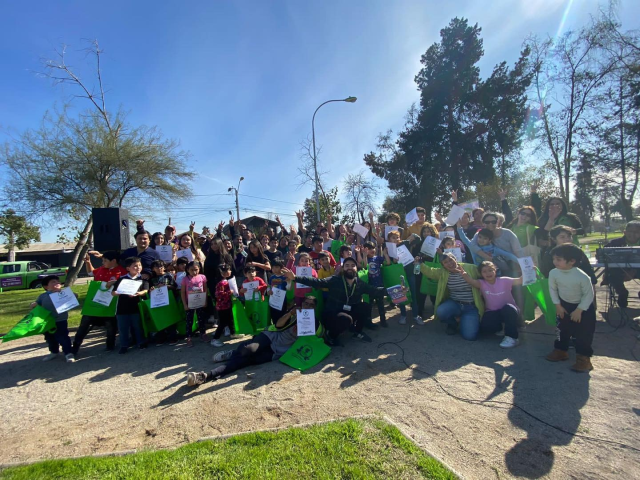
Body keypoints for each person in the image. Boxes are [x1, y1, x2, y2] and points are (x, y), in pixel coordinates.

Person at [186, 296, 318, 387]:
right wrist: (290, 313)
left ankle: (205, 376)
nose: (308, 306)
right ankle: (233, 353)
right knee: (248, 350)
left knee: (246, 361)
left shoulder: (316, 323)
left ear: (315, 308)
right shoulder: (295, 315)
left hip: (279, 350)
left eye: (311, 305)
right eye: (306, 303)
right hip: (271, 336)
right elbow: (278, 325)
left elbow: (318, 341)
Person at [282, 258, 387, 345]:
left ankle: (357, 332)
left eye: (352, 265)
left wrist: (394, 291)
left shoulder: (359, 283)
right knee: (344, 320)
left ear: (356, 268)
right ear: (343, 268)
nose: (350, 268)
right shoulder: (335, 280)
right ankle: (330, 336)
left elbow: (374, 290)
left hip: (348, 310)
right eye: (347, 265)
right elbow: (317, 282)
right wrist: (295, 278)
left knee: (365, 306)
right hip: (333, 312)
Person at [545, 244, 596, 372]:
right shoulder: (554, 273)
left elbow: (589, 295)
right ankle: (561, 351)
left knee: (583, 334)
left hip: (583, 308)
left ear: (572, 261)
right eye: (554, 259)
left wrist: (579, 310)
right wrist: (558, 306)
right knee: (562, 329)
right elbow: (552, 289)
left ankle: (584, 359)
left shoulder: (582, 277)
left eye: (558, 259)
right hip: (563, 305)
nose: (554, 262)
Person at [455, 261, 522, 348]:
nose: (488, 273)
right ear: (481, 273)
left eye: (490, 270)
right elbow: (470, 281)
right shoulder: (481, 283)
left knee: (508, 308)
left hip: (510, 312)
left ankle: (512, 337)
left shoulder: (504, 280)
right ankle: (502, 328)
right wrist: (463, 274)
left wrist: (529, 271)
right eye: (484, 271)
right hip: (493, 313)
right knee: (485, 327)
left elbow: (520, 280)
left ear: (495, 270)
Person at [419, 252, 485, 340]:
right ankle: (453, 323)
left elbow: (484, 273)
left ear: (455, 259)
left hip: (471, 307)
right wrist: (419, 263)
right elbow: (430, 272)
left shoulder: (470, 268)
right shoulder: (444, 272)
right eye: (445, 262)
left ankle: (463, 320)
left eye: (450, 260)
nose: (449, 263)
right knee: (441, 311)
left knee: (469, 336)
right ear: (443, 266)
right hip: (455, 304)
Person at [73, 251, 126, 354]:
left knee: (110, 325)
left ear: (114, 261)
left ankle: (110, 345)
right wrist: (88, 262)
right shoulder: (101, 269)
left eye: (105, 260)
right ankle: (75, 346)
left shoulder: (122, 272)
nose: (103, 262)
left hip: (110, 305)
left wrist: (115, 283)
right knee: (84, 323)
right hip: (95, 304)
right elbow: (90, 273)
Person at [32, 275, 78, 363]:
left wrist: (64, 292)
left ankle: (68, 353)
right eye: (53, 282)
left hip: (61, 320)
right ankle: (54, 352)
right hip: (47, 321)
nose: (57, 283)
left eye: (58, 282)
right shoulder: (43, 296)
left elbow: (76, 296)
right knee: (50, 338)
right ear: (46, 287)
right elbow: (36, 303)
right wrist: (33, 304)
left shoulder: (63, 293)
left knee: (63, 337)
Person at [112, 257, 149, 354]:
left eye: (140, 265)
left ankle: (141, 342)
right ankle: (124, 345)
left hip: (136, 307)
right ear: (128, 268)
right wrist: (118, 293)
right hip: (122, 308)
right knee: (123, 328)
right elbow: (113, 292)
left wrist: (139, 293)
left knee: (138, 326)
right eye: (135, 266)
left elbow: (145, 290)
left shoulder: (142, 278)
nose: (138, 268)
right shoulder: (122, 279)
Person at [602, 221, 640, 308]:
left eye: (636, 232)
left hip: (638, 269)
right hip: (619, 270)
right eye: (630, 232)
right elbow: (603, 254)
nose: (633, 234)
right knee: (611, 274)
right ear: (625, 232)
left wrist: (633, 271)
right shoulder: (615, 243)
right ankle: (622, 292)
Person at [358, 241, 388, 328]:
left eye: (373, 248)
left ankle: (383, 320)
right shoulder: (366, 259)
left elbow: (388, 263)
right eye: (369, 249)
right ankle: (369, 322)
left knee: (380, 304)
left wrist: (385, 254)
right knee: (369, 305)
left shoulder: (377, 258)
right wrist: (364, 255)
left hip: (379, 285)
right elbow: (364, 266)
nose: (372, 250)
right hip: (369, 287)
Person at [181, 260, 209, 347]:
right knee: (189, 320)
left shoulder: (203, 277)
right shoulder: (185, 279)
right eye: (192, 270)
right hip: (190, 303)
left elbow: (205, 289)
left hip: (200, 301)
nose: (194, 272)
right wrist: (185, 304)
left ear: (199, 269)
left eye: (196, 269)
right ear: (188, 270)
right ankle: (189, 337)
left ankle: (203, 333)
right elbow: (182, 292)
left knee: (201, 318)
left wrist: (205, 301)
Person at [211, 263, 236, 348]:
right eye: (227, 270)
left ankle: (233, 333)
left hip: (227, 304)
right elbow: (218, 294)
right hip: (222, 306)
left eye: (229, 269)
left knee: (230, 319)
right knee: (223, 322)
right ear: (222, 273)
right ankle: (215, 338)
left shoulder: (227, 281)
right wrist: (230, 292)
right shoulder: (221, 283)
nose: (229, 271)